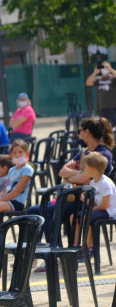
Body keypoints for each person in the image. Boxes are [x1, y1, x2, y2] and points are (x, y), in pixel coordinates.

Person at [29, 116, 114, 272]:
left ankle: (54, 258)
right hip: (74, 197)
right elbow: (62, 171)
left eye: (79, 131)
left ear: (87, 132)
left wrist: (72, 175)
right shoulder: (83, 152)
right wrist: (78, 173)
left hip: (85, 201)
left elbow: (85, 177)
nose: (77, 134)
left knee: (49, 213)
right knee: (33, 211)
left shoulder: (102, 154)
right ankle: (34, 254)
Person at [72, 152, 116, 253]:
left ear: (93, 169)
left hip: (110, 211)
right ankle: (76, 247)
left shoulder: (105, 183)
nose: (84, 170)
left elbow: (105, 205)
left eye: (86, 167)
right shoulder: (93, 182)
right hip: (100, 209)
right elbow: (92, 202)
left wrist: (91, 209)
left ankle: (89, 249)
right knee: (73, 218)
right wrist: (79, 195)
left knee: (86, 217)